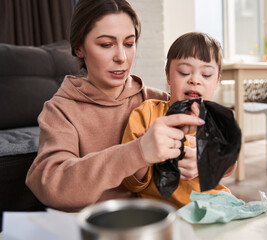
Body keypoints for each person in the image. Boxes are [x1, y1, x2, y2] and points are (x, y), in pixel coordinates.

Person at [25, 0, 204, 212]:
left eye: (129, 44)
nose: (121, 57)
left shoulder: (158, 101)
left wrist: (203, 160)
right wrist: (137, 152)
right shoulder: (61, 110)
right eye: (106, 45)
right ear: (79, 48)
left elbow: (224, 154)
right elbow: (51, 184)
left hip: (154, 224)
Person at [121, 32, 236, 208]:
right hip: (164, 212)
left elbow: (229, 166)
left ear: (217, 81)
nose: (195, 80)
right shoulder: (147, 112)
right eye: (184, 72)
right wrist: (144, 152)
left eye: (206, 75)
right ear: (168, 76)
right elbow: (132, 181)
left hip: (213, 205)